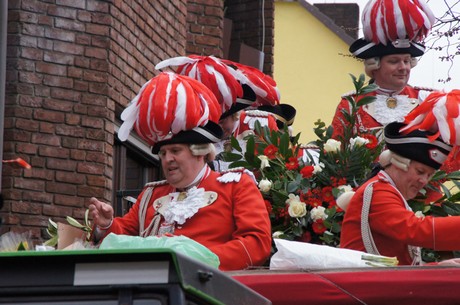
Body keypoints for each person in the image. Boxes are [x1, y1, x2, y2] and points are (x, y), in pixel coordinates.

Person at [89, 72, 272, 271]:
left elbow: (256, 244)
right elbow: (123, 235)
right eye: (164, 153)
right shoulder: (151, 195)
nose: (167, 159)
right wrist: (106, 225)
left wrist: (200, 261)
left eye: (175, 151)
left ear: (199, 152)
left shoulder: (236, 184)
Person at [340, 121, 460, 265]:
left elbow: (400, 265)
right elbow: (414, 229)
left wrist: (438, 267)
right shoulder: (378, 191)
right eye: (420, 172)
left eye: (429, 175)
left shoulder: (389, 191)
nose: (423, 181)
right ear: (398, 163)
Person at [331, 0, 435, 140]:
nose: (403, 67)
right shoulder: (351, 105)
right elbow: (335, 153)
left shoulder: (426, 100)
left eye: (406, 61)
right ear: (375, 65)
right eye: (394, 61)